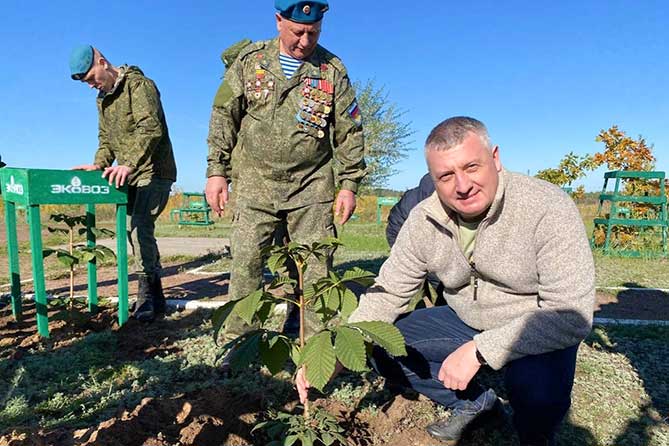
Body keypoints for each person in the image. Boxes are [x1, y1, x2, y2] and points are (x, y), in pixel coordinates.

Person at [298, 117, 595, 445]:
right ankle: (475, 404)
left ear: (495, 159)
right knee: (383, 344)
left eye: (471, 167)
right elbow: (388, 292)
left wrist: (478, 352)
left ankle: (534, 435)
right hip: (466, 318)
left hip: (531, 324)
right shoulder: (423, 219)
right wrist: (338, 352)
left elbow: (571, 315)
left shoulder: (546, 207)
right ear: (432, 178)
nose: (462, 185)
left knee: (537, 395)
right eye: (446, 175)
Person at [205, 0, 366, 345]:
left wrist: (349, 183)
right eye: (298, 31)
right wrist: (216, 171)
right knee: (246, 263)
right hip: (254, 184)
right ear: (279, 21)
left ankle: (315, 341)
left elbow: (350, 130)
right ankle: (239, 341)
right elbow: (222, 114)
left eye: (313, 32)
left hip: (312, 187)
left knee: (315, 267)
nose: (305, 41)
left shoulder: (332, 69)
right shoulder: (249, 62)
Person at [69, 45, 177, 322]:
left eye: (92, 78)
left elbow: (151, 128)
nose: (92, 86)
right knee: (137, 234)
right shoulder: (102, 99)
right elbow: (105, 140)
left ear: (103, 63)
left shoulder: (139, 86)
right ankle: (156, 298)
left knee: (139, 228)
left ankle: (146, 298)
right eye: (87, 84)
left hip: (153, 170)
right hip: (127, 174)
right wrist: (100, 164)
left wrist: (127, 163)